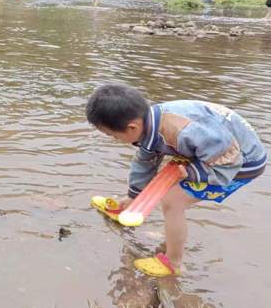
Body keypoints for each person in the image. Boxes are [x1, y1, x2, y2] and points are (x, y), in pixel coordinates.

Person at [86, 84, 267, 277]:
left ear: (132, 127)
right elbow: (145, 162)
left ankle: (174, 262)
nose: (113, 139)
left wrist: (192, 172)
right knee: (167, 186)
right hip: (213, 147)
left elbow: (228, 159)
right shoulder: (150, 123)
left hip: (241, 163)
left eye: (113, 135)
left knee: (173, 200)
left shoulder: (182, 130)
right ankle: (168, 238)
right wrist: (133, 196)